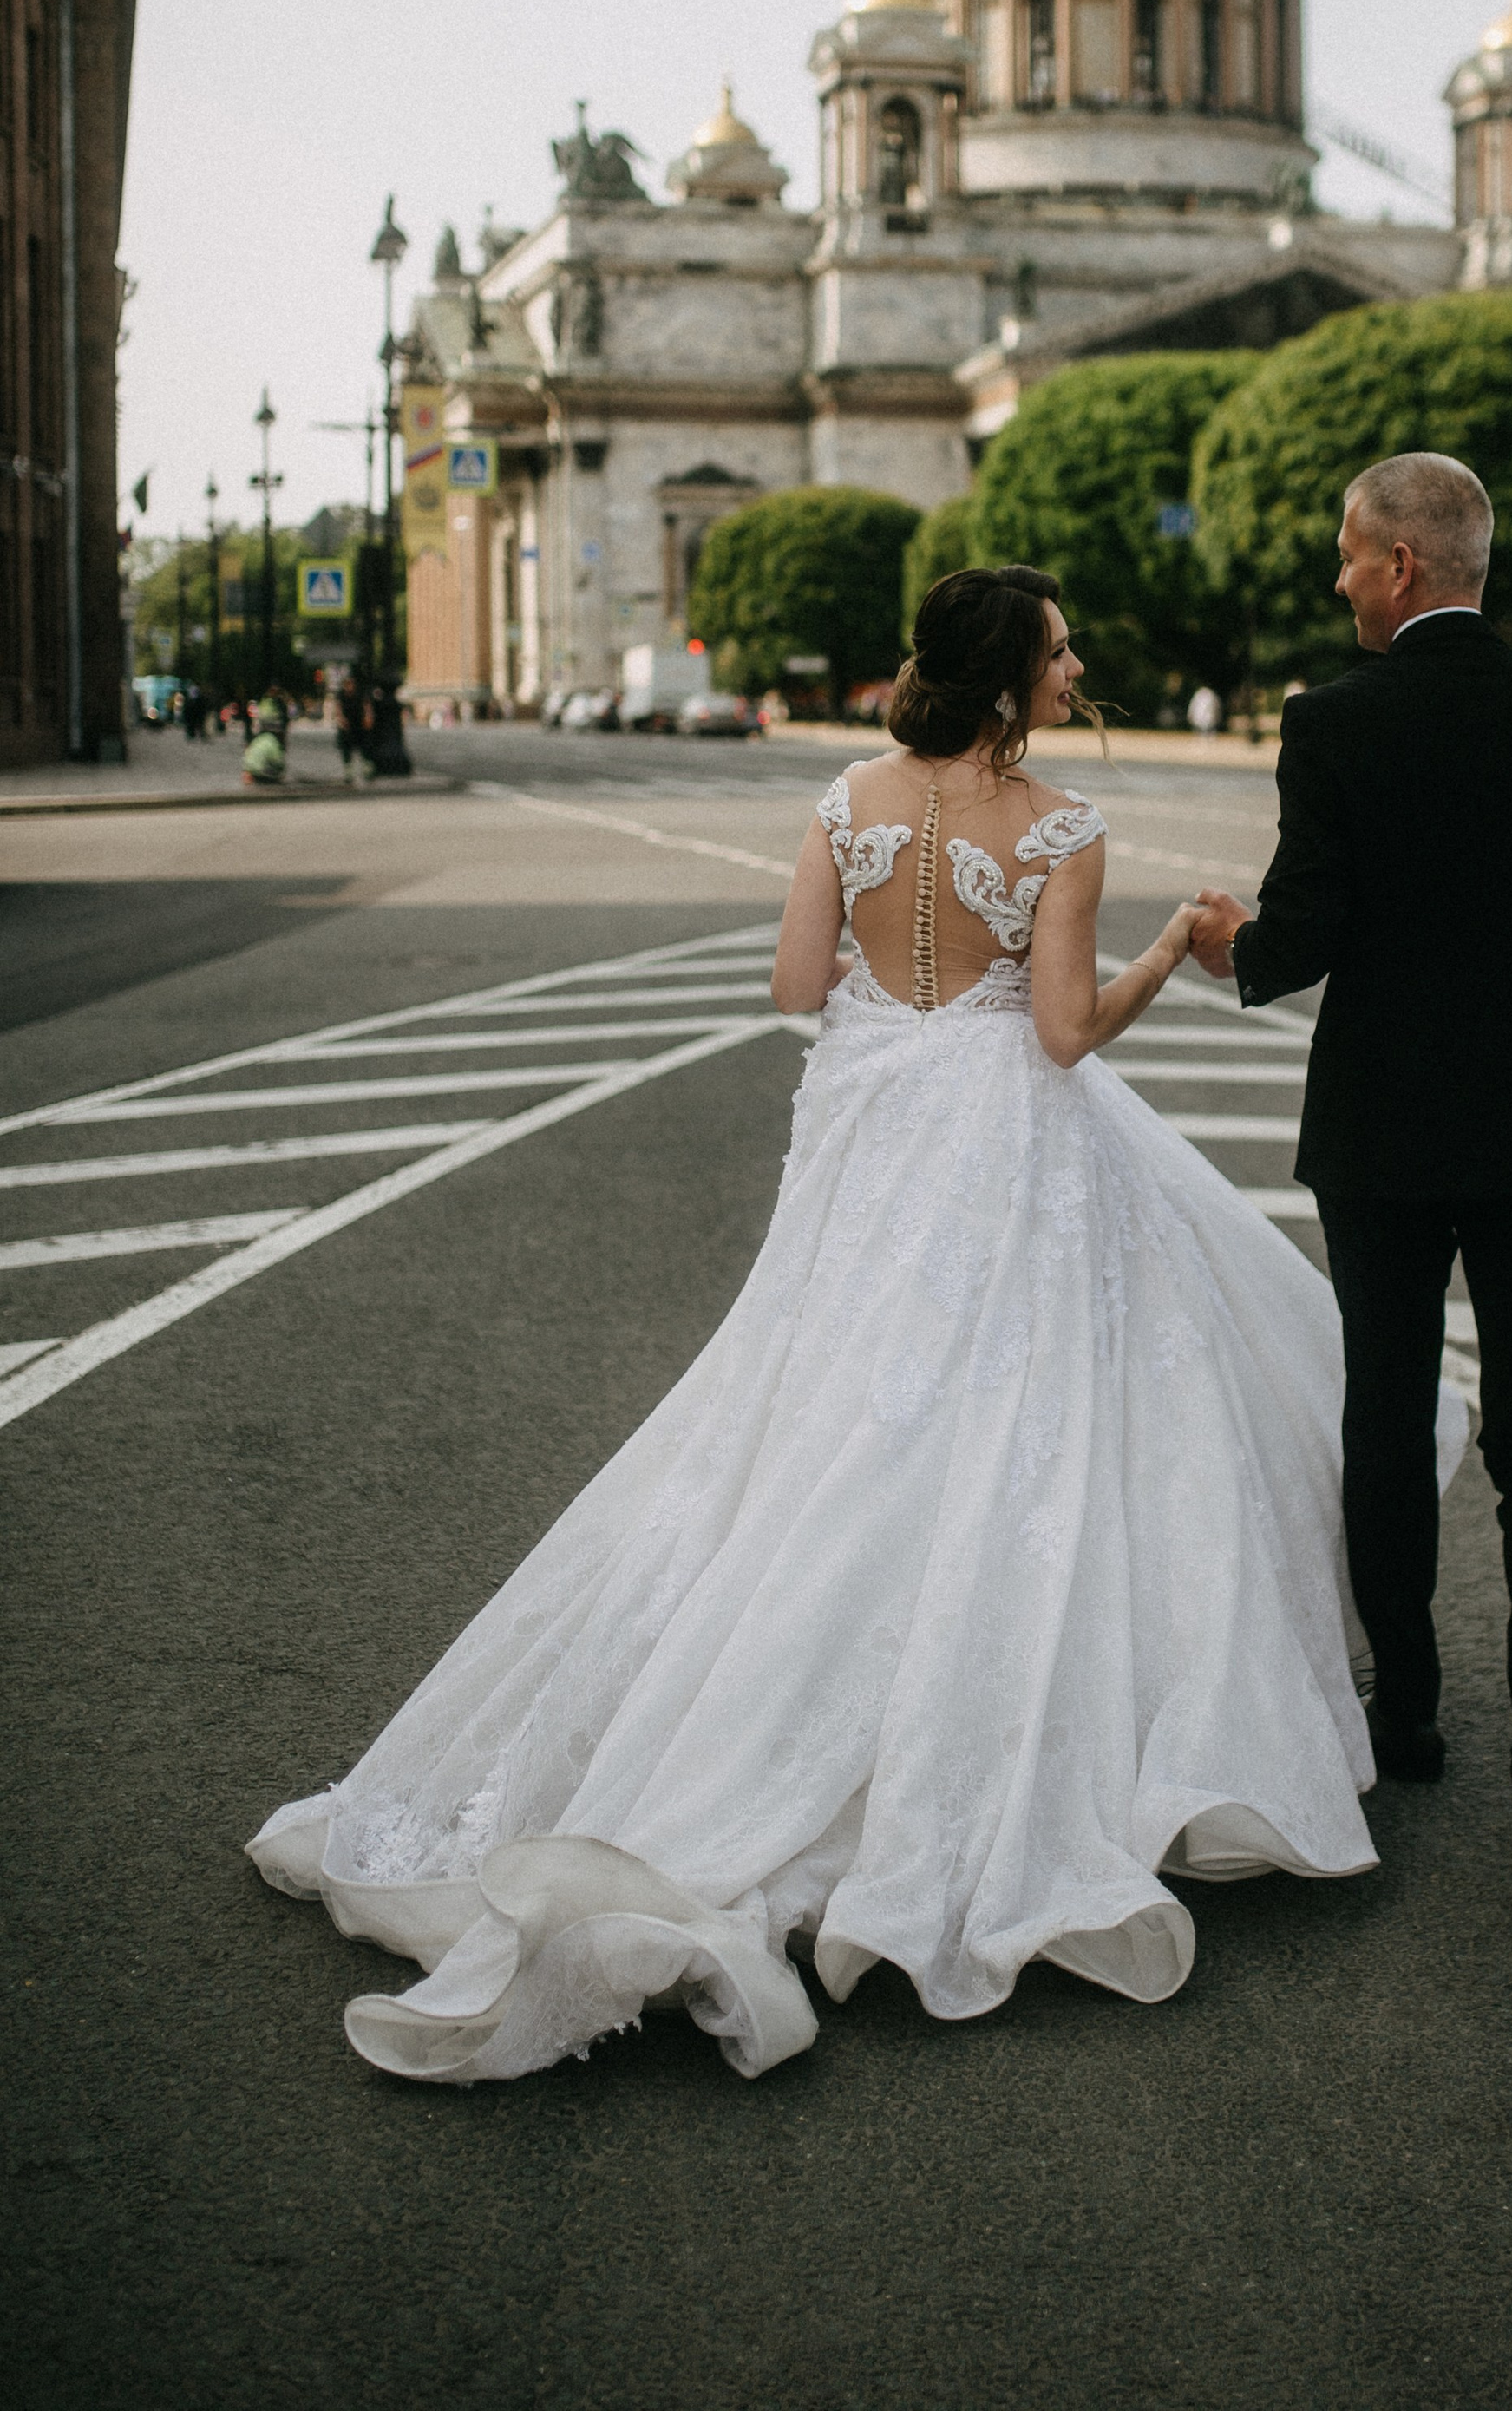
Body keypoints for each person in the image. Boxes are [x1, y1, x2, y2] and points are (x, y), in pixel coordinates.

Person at [248, 563, 1445, 2086]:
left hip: (875, 1138)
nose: (1078, 674)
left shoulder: (846, 799)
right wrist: (1163, 951)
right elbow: (1065, 1037)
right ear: (1011, 680)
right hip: (1009, 1141)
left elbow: (795, 986)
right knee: (1025, 1426)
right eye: (1063, 655)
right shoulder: (1062, 829)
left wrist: (907, 1015)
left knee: (815, 1417)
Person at [1189, 453, 1512, 1904]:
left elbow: (1307, 933)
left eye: (1347, 555)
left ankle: (1406, 1710)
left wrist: (1229, 947)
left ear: (1401, 566)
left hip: (1385, 1138)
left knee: (1386, 1413)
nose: (1336, 579)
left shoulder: (1334, 722)